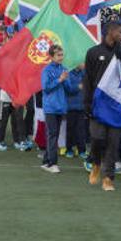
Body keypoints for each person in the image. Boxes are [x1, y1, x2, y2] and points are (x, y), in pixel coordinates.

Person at [83, 21, 121, 192]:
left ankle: (108, 177)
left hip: (116, 106)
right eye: (120, 31)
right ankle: (95, 163)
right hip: (97, 105)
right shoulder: (93, 52)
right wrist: (87, 103)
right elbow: (87, 79)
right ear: (110, 32)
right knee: (97, 138)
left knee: (113, 142)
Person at [40, 45, 75, 173]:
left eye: (62, 54)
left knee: (53, 134)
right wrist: (59, 79)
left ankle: (46, 161)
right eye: (58, 55)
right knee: (53, 134)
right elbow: (46, 87)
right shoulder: (46, 70)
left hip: (61, 107)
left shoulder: (64, 69)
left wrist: (65, 80)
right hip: (50, 107)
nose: (61, 57)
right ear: (51, 56)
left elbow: (70, 90)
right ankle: (52, 163)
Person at [64, 66, 86, 159]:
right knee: (70, 129)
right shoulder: (68, 73)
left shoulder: (84, 73)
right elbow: (68, 89)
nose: (84, 64)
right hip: (70, 107)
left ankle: (82, 150)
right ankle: (69, 149)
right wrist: (78, 87)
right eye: (82, 62)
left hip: (81, 106)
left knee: (81, 130)